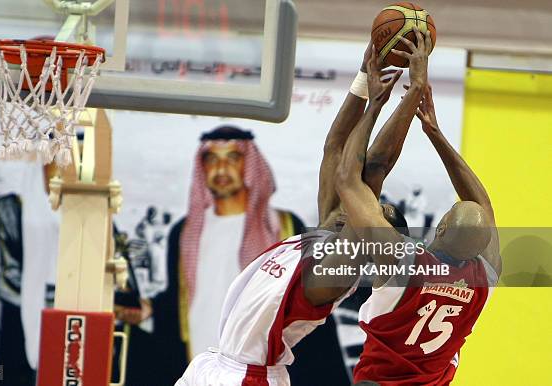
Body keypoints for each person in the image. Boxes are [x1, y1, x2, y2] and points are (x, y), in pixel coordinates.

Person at [175, 39, 415, 385]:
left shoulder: (335, 274)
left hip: (249, 377)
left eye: (373, 210)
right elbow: (334, 146)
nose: (363, 203)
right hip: (212, 364)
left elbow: (373, 166)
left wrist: (395, 101)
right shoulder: (325, 228)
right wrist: (363, 79)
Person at [334, 30, 501, 385]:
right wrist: (436, 133)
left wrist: (382, 102)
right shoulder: (483, 279)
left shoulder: (402, 260)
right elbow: (482, 204)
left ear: (440, 229)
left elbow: (351, 178)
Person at [152, 126, 314, 385]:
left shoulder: (285, 226)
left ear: (249, 165)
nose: (221, 169)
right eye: (212, 159)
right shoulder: (183, 232)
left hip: (258, 368)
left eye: (233, 158)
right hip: (201, 364)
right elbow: (176, 300)